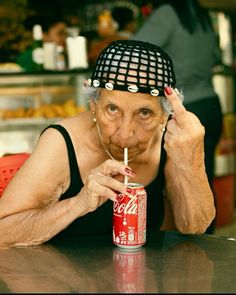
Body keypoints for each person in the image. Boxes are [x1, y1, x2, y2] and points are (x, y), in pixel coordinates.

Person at [0, 40, 215, 248]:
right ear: (94, 105)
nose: (125, 132)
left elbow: (195, 227)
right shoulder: (61, 143)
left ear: (164, 115)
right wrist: (79, 203)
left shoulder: (172, 141)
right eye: (112, 109)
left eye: (144, 113)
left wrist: (192, 161)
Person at [132, 0, 223, 234]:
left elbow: (132, 52)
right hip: (210, 105)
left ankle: (179, 247)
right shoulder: (201, 15)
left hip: (180, 109)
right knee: (201, 180)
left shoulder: (167, 13)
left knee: (174, 187)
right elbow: (215, 56)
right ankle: (205, 241)